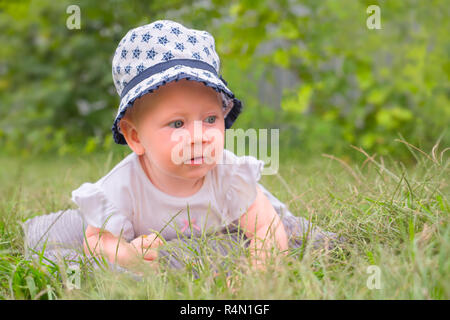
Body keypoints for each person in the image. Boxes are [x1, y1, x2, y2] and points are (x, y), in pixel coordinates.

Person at [24, 20, 340, 280]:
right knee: (66, 241)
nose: (200, 136)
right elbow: (95, 241)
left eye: (211, 119)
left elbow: (265, 230)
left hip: (234, 220)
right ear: (135, 137)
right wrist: (128, 254)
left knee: (294, 232)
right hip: (161, 233)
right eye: (177, 124)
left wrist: (255, 276)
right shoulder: (122, 187)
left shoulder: (230, 176)